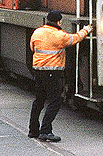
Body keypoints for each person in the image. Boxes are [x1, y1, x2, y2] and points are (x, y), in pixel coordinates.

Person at [29, 10, 91, 142]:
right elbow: (75, 39)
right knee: (55, 102)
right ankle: (45, 131)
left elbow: (32, 48)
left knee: (38, 101)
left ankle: (33, 130)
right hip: (52, 73)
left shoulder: (37, 32)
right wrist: (87, 29)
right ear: (59, 22)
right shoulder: (59, 35)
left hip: (38, 71)